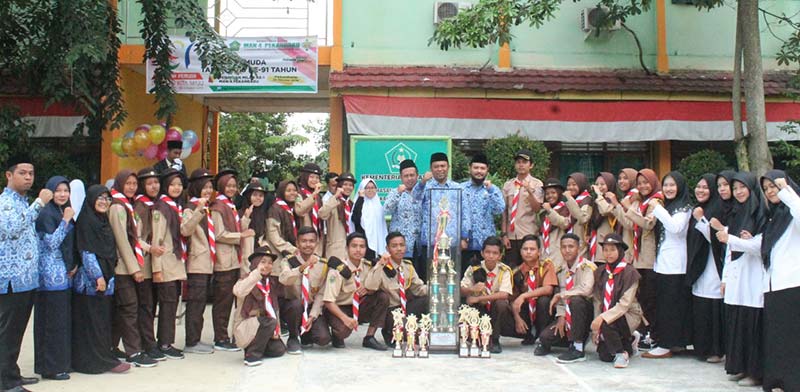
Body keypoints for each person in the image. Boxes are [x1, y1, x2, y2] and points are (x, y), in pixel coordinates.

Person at [0, 154, 50, 391]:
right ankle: (6, 382)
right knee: (7, 333)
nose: (28, 177)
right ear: (9, 175)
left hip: (26, 279)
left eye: (31, 173)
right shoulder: (5, 202)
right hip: (11, 279)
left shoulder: (22, 202)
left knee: (16, 332)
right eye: (23, 173)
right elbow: (11, 228)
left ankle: (12, 373)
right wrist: (39, 203)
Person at [714, 172, 766, 387]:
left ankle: (754, 372)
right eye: (735, 188)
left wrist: (733, 240)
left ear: (752, 188)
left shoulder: (761, 214)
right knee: (738, 321)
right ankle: (740, 367)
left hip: (753, 278)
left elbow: (761, 246)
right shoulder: (736, 214)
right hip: (737, 276)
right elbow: (729, 249)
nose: (738, 192)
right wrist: (725, 277)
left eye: (742, 187)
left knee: (751, 322)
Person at [72, 185, 130, 375]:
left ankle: (103, 358)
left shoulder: (103, 221)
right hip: (91, 283)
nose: (104, 202)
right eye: (100, 198)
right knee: (92, 323)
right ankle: (95, 362)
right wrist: (98, 277)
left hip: (106, 278)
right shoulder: (86, 222)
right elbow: (86, 252)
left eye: (107, 198)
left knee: (102, 322)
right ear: (91, 199)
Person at [642, 171, 693, 359]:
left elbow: (675, 228)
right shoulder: (669, 206)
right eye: (666, 185)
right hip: (663, 264)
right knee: (665, 305)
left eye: (672, 185)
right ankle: (673, 342)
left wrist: (656, 208)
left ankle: (666, 345)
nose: (668, 189)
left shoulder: (684, 208)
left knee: (671, 306)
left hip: (675, 265)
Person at [108, 170, 157, 367]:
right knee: (129, 308)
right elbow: (121, 240)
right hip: (122, 268)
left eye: (134, 184)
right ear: (120, 184)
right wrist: (134, 269)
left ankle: (112, 347)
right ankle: (134, 352)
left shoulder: (128, 205)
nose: (131, 187)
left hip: (130, 265)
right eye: (128, 183)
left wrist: (149, 249)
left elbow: (134, 238)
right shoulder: (117, 207)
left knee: (124, 309)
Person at [759, 171, 800, 392]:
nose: (770, 191)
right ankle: (777, 381)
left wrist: (787, 191)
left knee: (790, 338)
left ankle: (791, 383)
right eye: (766, 188)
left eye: (773, 186)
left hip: (791, 283)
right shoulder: (773, 218)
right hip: (773, 285)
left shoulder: (793, 212)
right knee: (776, 338)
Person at [34, 176, 76, 381]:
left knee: (61, 323)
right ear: (50, 192)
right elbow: (51, 243)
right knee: (51, 323)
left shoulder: (61, 211)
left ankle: (60, 363)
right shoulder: (46, 213)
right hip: (49, 277)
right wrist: (66, 221)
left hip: (62, 275)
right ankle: (50, 367)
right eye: (58, 190)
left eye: (66, 191)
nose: (62, 194)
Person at [209, 169, 255, 352]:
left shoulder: (230, 205)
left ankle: (232, 335)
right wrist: (241, 235)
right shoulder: (218, 207)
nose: (231, 189)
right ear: (221, 186)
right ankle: (220, 338)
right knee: (223, 301)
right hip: (224, 260)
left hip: (234, 259)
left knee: (234, 299)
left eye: (234, 186)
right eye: (228, 186)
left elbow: (235, 229)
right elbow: (219, 234)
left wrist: (245, 219)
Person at [321, 232, 390, 350]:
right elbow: (328, 301)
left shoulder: (368, 266)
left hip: (359, 305)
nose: (358, 250)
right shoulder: (338, 270)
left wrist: (369, 289)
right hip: (340, 308)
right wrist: (345, 319)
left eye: (362, 246)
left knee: (382, 297)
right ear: (347, 248)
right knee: (343, 330)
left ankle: (369, 337)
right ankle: (336, 335)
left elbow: (375, 287)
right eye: (354, 246)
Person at [621, 168, 662, 349]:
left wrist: (628, 207)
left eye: (646, 182)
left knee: (651, 297)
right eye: (639, 183)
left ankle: (653, 334)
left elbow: (648, 223)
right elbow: (630, 224)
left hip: (650, 257)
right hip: (638, 257)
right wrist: (624, 208)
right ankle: (645, 332)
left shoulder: (656, 201)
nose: (643, 186)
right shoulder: (640, 202)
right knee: (641, 297)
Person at [686, 173, 725, 363]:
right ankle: (701, 348)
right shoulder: (697, 209)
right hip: (699, 268)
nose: (700, 190)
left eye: (705, 187)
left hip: (713, 267)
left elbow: (717, 241)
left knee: (713, 309)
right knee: (700, 307)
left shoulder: (718, 208)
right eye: (698, 187)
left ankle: (715, 350)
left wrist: (702, 220)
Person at [364, 232, 428, 346]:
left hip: (405, 307)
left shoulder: (408, 266)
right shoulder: (382, 266)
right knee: (411, 334)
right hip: (390, 311)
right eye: (394, 246)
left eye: (402, 245)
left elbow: (419, 288)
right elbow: (370, 286)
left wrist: (437, 288)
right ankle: (389, 332)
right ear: (387, 248)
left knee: (429, 300)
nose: (399, 249)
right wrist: (380, 264)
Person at [151, 169, 189, 360]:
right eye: (172, 184)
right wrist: (157, 269)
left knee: (172, 305)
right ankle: (164, 343)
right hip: (165, 264)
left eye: (179, 185)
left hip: (175, 264)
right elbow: (157, 240)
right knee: (167, 306)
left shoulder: (175, 206)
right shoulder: (161, 208)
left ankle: (167, 341)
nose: (176, 188)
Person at [539, 233, 596, 363]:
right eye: (564, 247)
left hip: (585, 314)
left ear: (579, 248)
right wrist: (561, 316)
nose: (567, 250)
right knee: (545, 338)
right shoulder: (561, 270)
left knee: (576, 300)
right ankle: (571, 341)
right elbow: (560, 301)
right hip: (567, 314)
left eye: (571, 246)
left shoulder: (587, 267)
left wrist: (562, 295)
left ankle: (578, 348)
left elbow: (586, 290)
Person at [413, 152, 469, 281]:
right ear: (431, 169)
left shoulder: (458, 188)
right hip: (430, 241)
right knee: (430, 277)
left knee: (451, 276)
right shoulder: (425, 187)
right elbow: (415, 198)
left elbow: (465, 213)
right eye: (436, 166)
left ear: (448, 167)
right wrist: (422, 182)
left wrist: (464, 237)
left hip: (452, 241)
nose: (440, 169)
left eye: (443, 166)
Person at [590, 233, 643, 369]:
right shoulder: (600, 272)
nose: (608, 254)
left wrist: (602, 318)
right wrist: (596, 328)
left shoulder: (630, 272)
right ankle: (629, 342)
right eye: (605, 250)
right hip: (607, 315)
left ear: (620, 251)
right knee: (605, 356)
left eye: (612, 250)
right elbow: (597, 301)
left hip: (627, 314)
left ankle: (621, 354)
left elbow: (625, 304)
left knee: (607, 322)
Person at [278, 226, 331, 353]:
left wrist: (312, 316)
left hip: (310, 307)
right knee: (296, 305)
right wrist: (304, 266)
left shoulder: (323, 265)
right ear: (297, 243)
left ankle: (306, 335)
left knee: (323, 339)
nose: (308, 245)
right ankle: (293, 337)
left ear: (316, 243)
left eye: (311, 241)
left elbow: (321, 294)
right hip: (292, 307)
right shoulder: (287, 261)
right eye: (304, 241)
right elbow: (285, 279)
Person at [180, 168, 216, 355]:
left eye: (210, 187)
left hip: (207, 263)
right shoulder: (190, 207)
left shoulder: (207, 208)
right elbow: (185, 230)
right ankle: (191, 341)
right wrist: (198, 211)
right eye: (205, 187)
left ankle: (196, 339)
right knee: (195, 303)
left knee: (201, 303)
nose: (208, 191)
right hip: (196, 263)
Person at [233, 247, 286, 366]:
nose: (266, 266)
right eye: (263, 262)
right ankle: (252, 355)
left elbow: (274, 308)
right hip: (247, 326)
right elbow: (238, 291)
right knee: (269, 322)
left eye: (270, 263)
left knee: (278, 349)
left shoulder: (271, 282)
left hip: (265, 325)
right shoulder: (247, 279)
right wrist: (256, 273)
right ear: (255, 263)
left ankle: (257, 346)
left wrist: (277, 330)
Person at [459, 236, 513, 353]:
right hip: (479, 308)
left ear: (500, 255)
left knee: (502, 304)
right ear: (482, 253)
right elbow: (461, 289)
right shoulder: (474, 268)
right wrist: (472, 289)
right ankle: (476, 337)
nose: (491, 256)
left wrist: (479, 298)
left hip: (494, 308)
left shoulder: (504, 270)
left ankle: (495, 339)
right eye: (487, 252)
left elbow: (504, 294)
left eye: (495, 253)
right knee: (466, 307)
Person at [503, 235, 557, 348]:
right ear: (520, 251)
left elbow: (548, 289)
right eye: (525, 249)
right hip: (526, 311)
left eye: (532, 249)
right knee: (513, 305)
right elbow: (512, 298)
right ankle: (528, 335)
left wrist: (524, 295)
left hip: (543, 311)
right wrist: (517, 318)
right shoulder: (516, 271)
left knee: (543, 300)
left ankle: (543, 338)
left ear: (539, 252)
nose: (528, 252)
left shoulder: (546, 265)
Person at [132, 167, 163, 362]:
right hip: (143, 262)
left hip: (154, 263)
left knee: (151, 305)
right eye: (149, 183)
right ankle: (147, 344)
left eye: (156, 182)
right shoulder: (139, 206)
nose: (154, 186)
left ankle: (150, 342)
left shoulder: (157, 205)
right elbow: (136, 237)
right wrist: (150, 248)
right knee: (145, 305)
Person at [460, 153, 505, 273]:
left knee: (487, 277)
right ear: (470, 168)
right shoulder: (460, 189)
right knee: (465, 278)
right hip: (465, 245)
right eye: (476, 168)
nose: (479, 171)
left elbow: (500, 209)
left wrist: (491, 190)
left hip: (487, 247)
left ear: (487, 170)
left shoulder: (492, 189)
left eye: (482, 168)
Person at [501, 149, 544, 268]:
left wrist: (529, 191)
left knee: (529, 267)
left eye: (524, 162)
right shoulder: (508, 185)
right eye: (518, 162)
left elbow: (537, 209)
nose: (521, 165)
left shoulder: (537, 184)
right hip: (511, 236)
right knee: (511, 268)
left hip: (528, 233)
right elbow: (504, 212)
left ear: (531, 165)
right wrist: (504, 234)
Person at [384, 159, 422, 261]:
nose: (409, 178)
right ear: (401, 177)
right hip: (400, 246)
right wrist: (398, 193)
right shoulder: (395, 192)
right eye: (406, 176)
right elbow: (386, 210)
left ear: (417, 175)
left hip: (419, 244)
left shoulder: (423, 192)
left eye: (412, 175)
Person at [319, 173, 356, 261]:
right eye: (345, 184)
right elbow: (322, 214)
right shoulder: (333, 202)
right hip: (335, 249)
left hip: (351, 249)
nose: (348, 187)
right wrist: (335, 196)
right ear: (339, 186)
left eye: (351, 185)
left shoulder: (351, 204)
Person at [540, 178, 573, 268]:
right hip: (544, 251)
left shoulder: (565, 208)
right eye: (547, 193)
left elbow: (564, 224)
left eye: (553, 193)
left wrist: (550, 210)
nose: (550, 196)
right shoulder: (542, 212)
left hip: (559, 251)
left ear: (559, 193)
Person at [353, 178, 387, 261]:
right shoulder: (359, 202)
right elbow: (355, 219)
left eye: (372, 188)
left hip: (378, 241)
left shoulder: (378, 205)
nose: (370, 190)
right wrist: (361, 198)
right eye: (367, 188)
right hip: (363, 241)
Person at [589, 172, 619, 264]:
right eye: (597, 184)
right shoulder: (596, 201)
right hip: (596, 243)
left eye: (602, 184)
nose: (599, 187)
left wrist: (599, 195)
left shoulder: (613, 200)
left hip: (608, 246)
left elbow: (605, 210)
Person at [295, 163, 325, 256]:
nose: (314, 180)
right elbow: (299, 211)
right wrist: (314, 194)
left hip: (317, 238)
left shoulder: (318, 197)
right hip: (304, 238)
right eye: (311, 177)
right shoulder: (298, 193)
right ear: (305, 177)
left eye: (317, 178)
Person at [239, 180, 268, 269]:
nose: (258, 198)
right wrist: (246, 217)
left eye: (261, 196)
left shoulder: (264, 213)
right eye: (255, 195)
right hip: (244, 256)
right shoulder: (241, 212)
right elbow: (240, 231)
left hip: (259, 255)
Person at [564, 172, 592, 257]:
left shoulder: (586, 200)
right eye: (568, 185)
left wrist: (569, 198)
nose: (570, 187)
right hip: (570, 241)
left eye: (574, 184)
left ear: (581, 184)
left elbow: (582, 218)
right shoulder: (573, 200)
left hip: (581, 243)